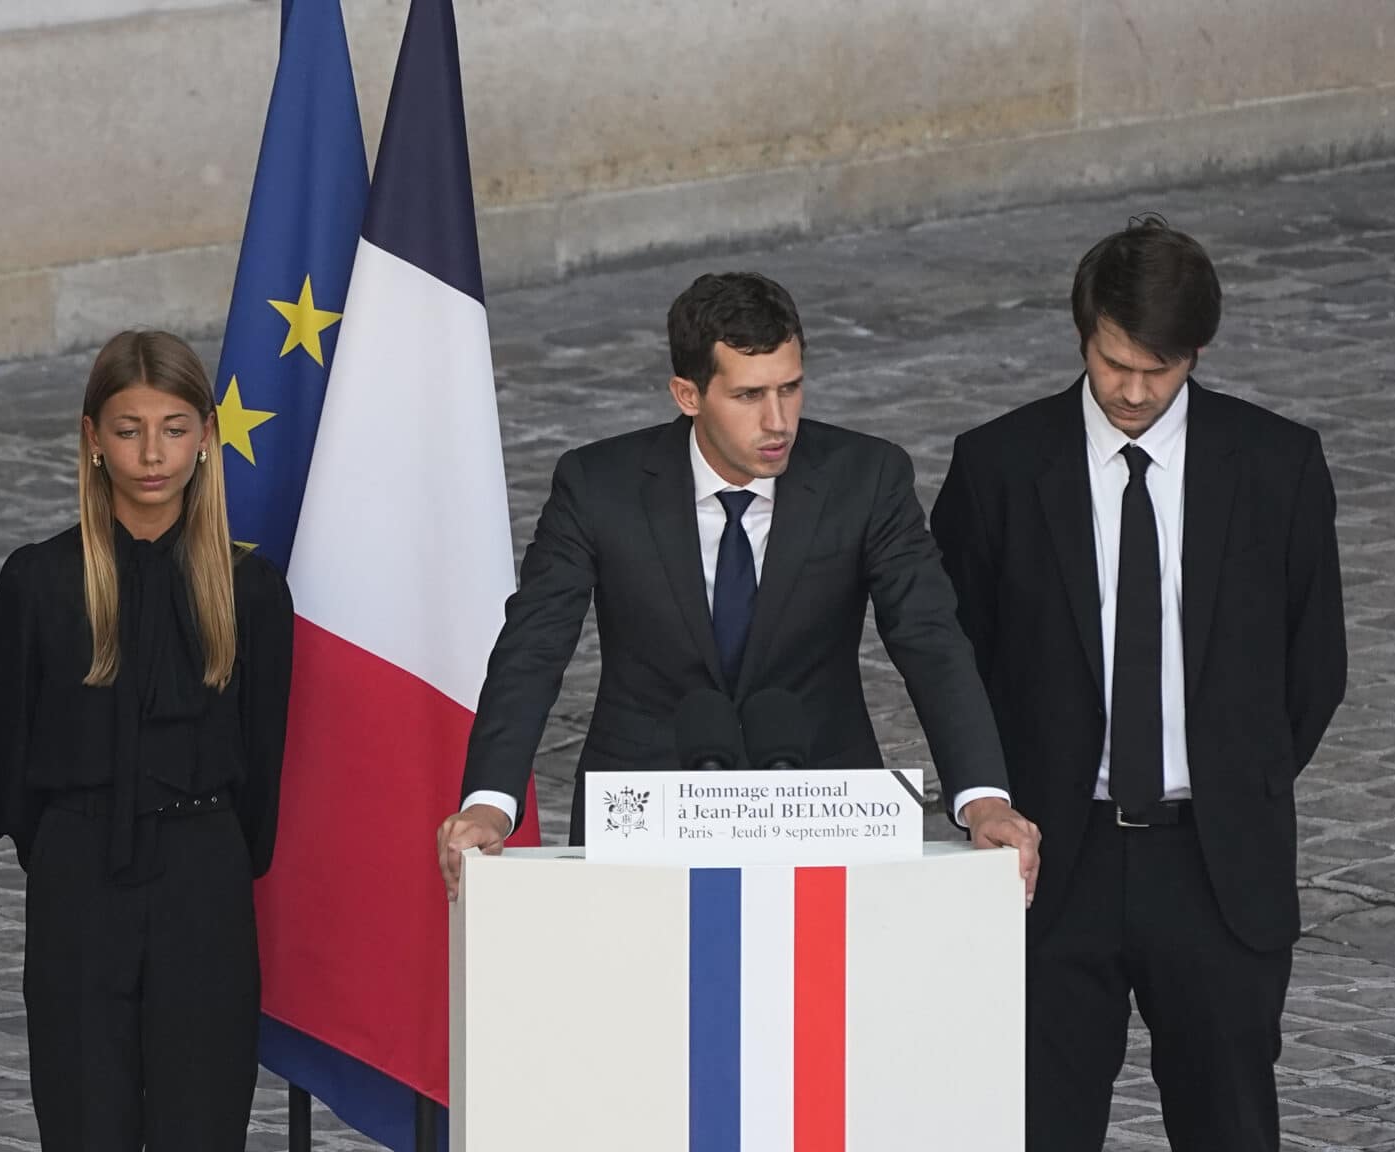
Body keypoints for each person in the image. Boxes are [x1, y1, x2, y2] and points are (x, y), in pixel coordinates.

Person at [932, 217, 1347, 1152]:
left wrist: (1220, 787)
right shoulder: (997, 469)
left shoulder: (1277, 467)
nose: (1133, 390)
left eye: (1160, 371)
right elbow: (957, 665)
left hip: (1214, 875)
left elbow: (1311, 669)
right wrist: (999, 801)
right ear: (1083, 333)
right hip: (1053, 874)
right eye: (1116, 362)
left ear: (1197, 356)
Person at [436, 272, 1038, 889]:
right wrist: (491, 801)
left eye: (791, 388)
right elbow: (535, 645)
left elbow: (930, 636)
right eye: (750, 396)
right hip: (646, 813)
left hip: (819, 808)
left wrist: (983, 797)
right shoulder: (598, 486)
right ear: (687, 394)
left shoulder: (867, 478)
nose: (778, 421)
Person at [0, 329, 293, 1152]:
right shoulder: (40, 581)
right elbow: (7, 768)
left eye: (174, 429)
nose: (151, 453)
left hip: (208, 886)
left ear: (203, 441)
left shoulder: (251, 590)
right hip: (78, 892)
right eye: (128, 429)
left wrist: (202, 859)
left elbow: (266, 771)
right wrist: (71, 857)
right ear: (92, 439)